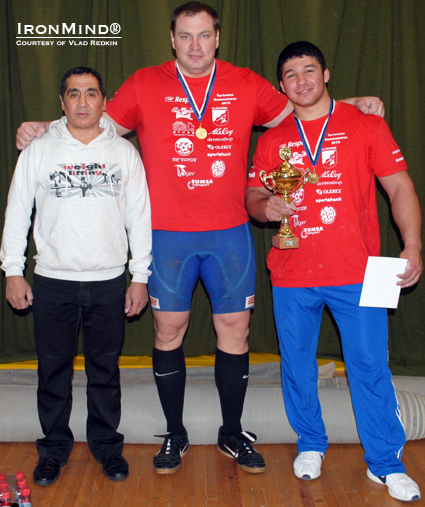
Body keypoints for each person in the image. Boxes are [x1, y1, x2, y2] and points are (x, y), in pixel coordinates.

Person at [15, 2, 384, 476]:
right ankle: (175, 433)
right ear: (172, 39)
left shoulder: (246, 82)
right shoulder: (145, 83)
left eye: (204, 35)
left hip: (229, 235)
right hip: (166, 237)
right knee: (169, 332)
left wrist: (352, 104)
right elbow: (94, 123)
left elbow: (300, 110)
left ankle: (232, 432)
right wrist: (44, 127)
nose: (194, 45)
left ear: (216, 38)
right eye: (185, 36)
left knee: (236, 332)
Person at [245, 41, 422, 502]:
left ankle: (385, 462)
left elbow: (399, 185)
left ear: (326, 74)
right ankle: (310, 442)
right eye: (290, 75)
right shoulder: (272, 139)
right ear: (281, 85)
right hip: (291, 270)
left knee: (370, 366)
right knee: (297, 365)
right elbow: (250, 198)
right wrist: (266, 207)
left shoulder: (366, 125)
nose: (301, 81)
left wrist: (414, 244)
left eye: (309, 71)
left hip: (364, 271)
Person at [1, 67, 152, 485]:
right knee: (53, 371)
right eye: (73, 94)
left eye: (91, 94)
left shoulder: (123, 152)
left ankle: (107, 448)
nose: (82, 102)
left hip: (108, 282)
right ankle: (53, 449)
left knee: (105, 370)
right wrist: (13, 270)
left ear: (104, 101)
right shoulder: (38, 150)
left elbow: (140, 217)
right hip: (52, 280)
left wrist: (139, 275)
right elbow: (17, 212)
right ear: (61, 103)